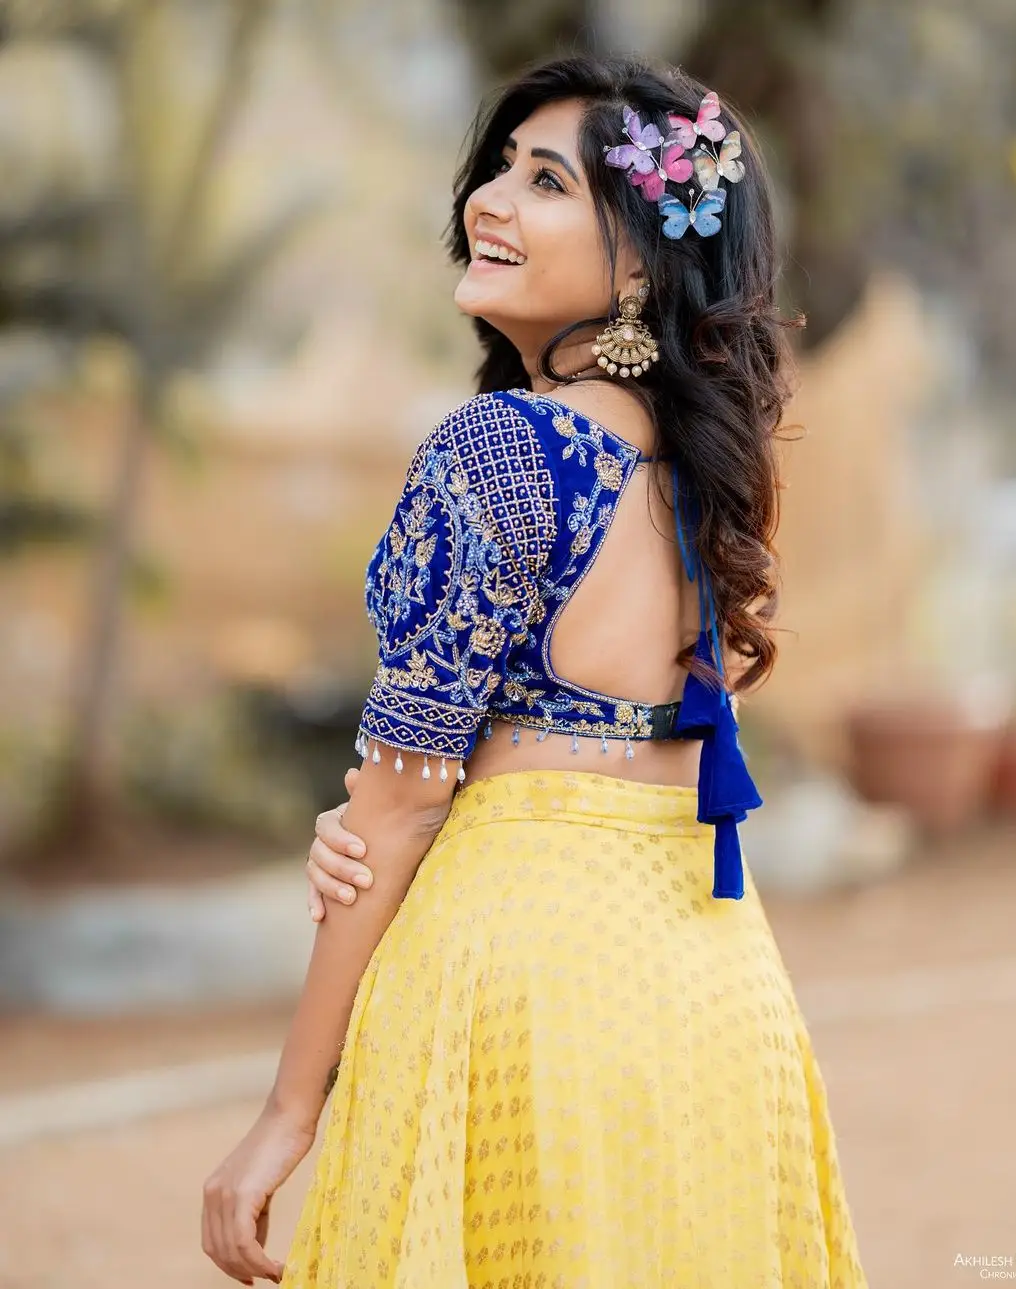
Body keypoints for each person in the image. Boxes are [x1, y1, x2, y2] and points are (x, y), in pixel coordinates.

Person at [201, 53, 868, 1288]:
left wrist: (288, 1111)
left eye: (546, 180)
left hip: (524, 996)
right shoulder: (712, 479)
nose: (489, 200)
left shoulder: (504, 453)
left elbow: (400, 803)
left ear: (636, 269)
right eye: (500, 167)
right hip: (721, 1003)